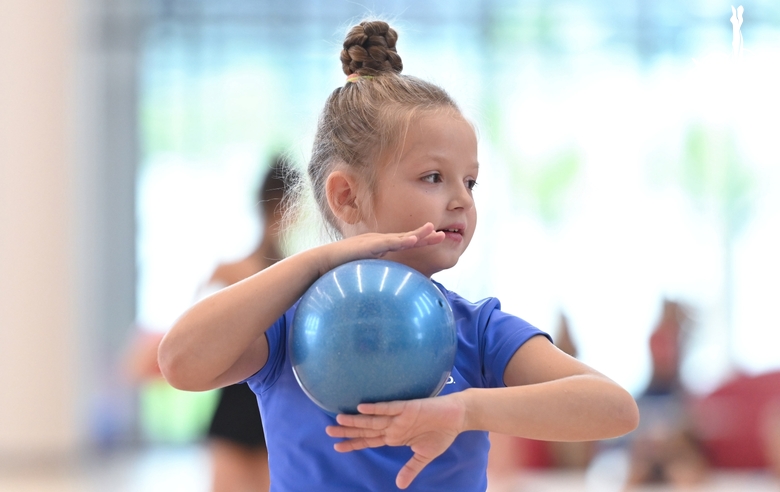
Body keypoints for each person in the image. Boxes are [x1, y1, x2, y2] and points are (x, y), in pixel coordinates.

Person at [158, 20, 639, 491]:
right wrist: (314, 263)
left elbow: (614, 408)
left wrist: (465, 410)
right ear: (346, 196)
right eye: (434, 177)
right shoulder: (288, 327)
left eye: (470, 181)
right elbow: (180, 362)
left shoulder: (478, 331)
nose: (462, 200)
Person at [126, 155, 298, 492]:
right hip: (250, 406)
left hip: (263, 406)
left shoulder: (276, 273)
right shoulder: (253, 273)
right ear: (281, 208)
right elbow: (189, 333)